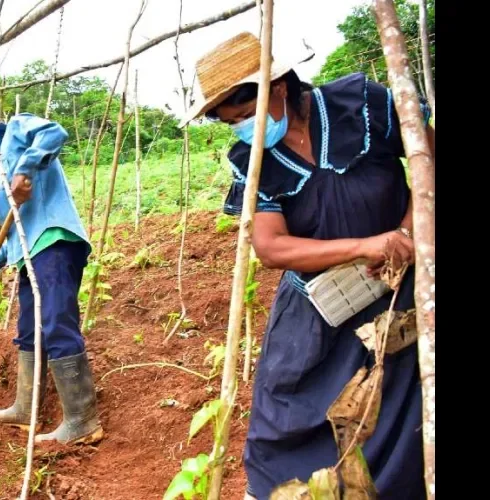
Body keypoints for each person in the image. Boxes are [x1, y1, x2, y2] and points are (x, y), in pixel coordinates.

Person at [180, 33, 435, 499]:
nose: (243, 130)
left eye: (245, 116)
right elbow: (272, 248)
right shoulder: (252, 159)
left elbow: (427, 161)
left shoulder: (362, 105)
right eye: (232, 123)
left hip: (399, 294)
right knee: (285, 419)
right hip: (319, 310)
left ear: (277, 87)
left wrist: (406, 233)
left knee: (400, 411)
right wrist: (365, 246)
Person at [0, 113, 104, 446]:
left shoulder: (17, 131)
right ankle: (25, 407)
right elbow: (16, 227)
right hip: (29, 252)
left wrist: (24, 168)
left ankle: (82, 420)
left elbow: (55, 132)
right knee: (29, 330)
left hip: (53, 240)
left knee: (57, 322)